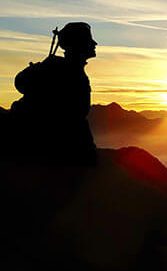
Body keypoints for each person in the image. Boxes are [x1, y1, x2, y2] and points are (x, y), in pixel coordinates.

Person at [5, 22, 98, 165]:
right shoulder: (68, 74)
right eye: (88, 40)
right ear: (78, 44)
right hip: (55, 157)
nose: (94, 43)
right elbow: (71, 118)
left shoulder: (61, 69)